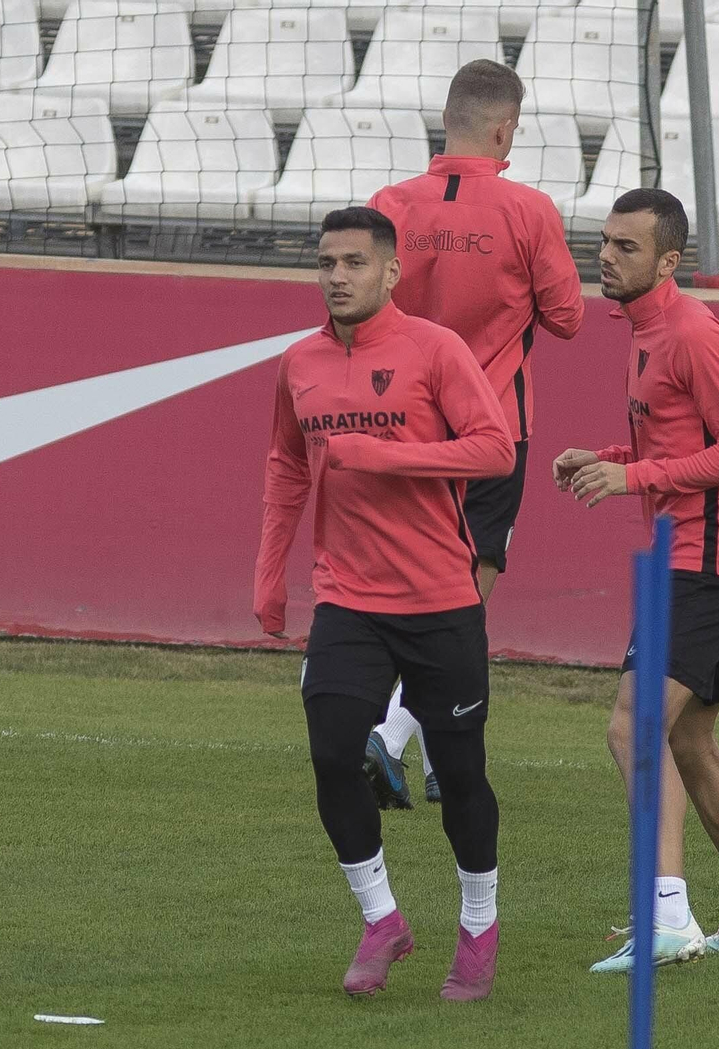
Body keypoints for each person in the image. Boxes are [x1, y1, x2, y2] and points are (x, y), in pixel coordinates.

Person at [253, 207, 517, 1000]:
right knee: (335, 751)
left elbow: (495, 447)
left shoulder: (437, 350)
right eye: (326, 261)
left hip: (440, 599)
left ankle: (479, 924)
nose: (337, 276)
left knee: (462, 773)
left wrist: (388, 456)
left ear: (391, 271)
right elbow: (285, 465)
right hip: (347, 599)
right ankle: (381, 918)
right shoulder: (298, 362)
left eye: (355, 263)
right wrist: (271, 572)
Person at [552, 189, 719, 971]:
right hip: (697, 556)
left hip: (712, 561)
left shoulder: (693, 332)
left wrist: (635, 478)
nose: (607, 256)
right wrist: (610, 460)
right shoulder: (644, 331)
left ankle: (668, 917)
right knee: (689, 741)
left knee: (631, 726)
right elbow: (677, 446)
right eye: (605, 241)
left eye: (626, 246)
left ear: (668, 260)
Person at [361, 59, 586, 808]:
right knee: (461, 593)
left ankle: (436, 754)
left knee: (424, 582)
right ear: (506, 128)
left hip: (402, 425)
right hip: (492, 428)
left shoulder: (390, 203)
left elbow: (357, 310)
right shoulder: (528, 211)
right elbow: (568, 317)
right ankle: (390, 734)